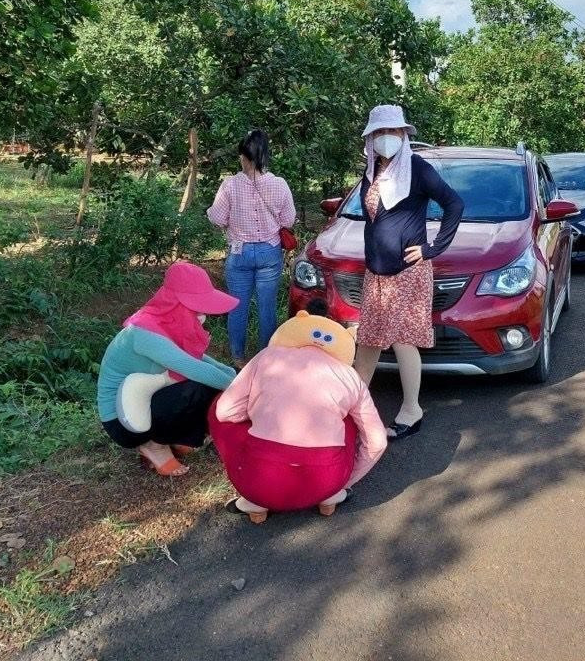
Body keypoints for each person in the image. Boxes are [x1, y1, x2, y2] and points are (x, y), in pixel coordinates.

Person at [210, 309, 388, 523]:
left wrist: (257, 413)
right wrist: (346, 480)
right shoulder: (350, 376)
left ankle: (254, 503)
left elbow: (225, 411)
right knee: (348, 420)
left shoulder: (268, 356)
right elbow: (377, 442)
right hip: (327, 481)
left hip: (258, 480)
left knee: (217, 407)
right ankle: (331, 498)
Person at [351, 105, 463, 440]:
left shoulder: (417, 168)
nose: (386, 139)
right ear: (370, 139)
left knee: (402, 339)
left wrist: (432, 248)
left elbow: (454, 203)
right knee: (368, 338)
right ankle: (352, 406)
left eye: (392, 132)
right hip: (377, 272)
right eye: (379, 133)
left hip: (407, 272)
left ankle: (412, 410)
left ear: (403, 135)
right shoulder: (372, 173)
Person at [97, 261, 239, 477]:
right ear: (177, 304)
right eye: (197, 308)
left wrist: (235, 376)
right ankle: (153, 445)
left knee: (210, 382)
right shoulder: (145, 332)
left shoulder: (167, 323)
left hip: (149, 401)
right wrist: (243, 387)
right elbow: (194, 368)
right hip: (123, 422)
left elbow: (200, 359)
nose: (202, 316)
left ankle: (175, 436)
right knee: (196, 387)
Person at [207, 129, 296, 366]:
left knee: (237, 306)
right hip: (269, 252)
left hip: (240, 252)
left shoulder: (230, 185)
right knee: (267, 307)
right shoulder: (279, 184)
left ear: (244, 156)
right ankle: (266, 358)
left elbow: (217, 217)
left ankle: (238, 357)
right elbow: (288, 220)